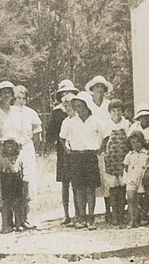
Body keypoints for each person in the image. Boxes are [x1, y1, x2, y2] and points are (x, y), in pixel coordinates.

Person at [60, 91, 108, 229]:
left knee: (90, 189)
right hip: (76, 156)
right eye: (76, 106)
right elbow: (62, 138)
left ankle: (91, 218)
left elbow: (106, 135)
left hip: (90, 156)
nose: (78, 109)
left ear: (87, 106)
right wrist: (67, 149)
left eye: (81, 106)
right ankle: (81, 216)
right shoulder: (71, 122)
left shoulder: (95, 120)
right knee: (79, 188)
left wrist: (101, 149)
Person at [3, 85, 43, 229]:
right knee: (14, 183)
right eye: (18, 98)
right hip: (12, 151)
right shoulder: (8, 112)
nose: (20, 101)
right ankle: (13, 221)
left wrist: (31, 149)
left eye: (23, 98)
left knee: (27, 183)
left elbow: (37, 136)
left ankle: (25, 218)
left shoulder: (31, 113)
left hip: (26, 149)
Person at [47, 79, 79, 225]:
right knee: (65, 183)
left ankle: (79, 213)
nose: (67, 95)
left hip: (77, 149)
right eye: (64, 93)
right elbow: (50, 134)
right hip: (63, 150)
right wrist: (59, 142)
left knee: (77, 182)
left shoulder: (78, 111)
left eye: (70, 92)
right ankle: (67, 214)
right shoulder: (57, 112)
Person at [85, 75, 113, 221]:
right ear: (92, 89)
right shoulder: (88, 104)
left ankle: (109, 210)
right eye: (97, 88)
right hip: (92, 142)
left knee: (107, 177)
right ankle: (91, 213)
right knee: (94, 179)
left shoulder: (108, 104)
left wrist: (105, 143)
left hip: (107, 140)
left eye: (102, 88)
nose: (99, 91)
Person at [102, 99, 131, 226]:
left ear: (123, 112)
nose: (117, 113)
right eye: (114, 111)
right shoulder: (107, 125)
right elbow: (103, 143)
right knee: (113, 188)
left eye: (119, 110)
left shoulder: (127, 124)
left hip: (124, 158)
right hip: (112, 159)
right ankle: (114, 215)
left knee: (123, 186)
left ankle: (122, 214)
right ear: (110, 112)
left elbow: (129, 141)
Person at [0, 137, 28, 233]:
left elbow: (23, 169)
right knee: (6, 204)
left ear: (17, 146)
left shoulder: (20, 157)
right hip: (6, 182)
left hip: (17, 181)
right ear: (4, 146)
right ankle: (5, 225)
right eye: (7, 145)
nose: (10, 148)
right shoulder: (2, 159)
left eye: (12, 145)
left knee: (18, 203)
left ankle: (18, 224)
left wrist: (25, 179)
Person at [122, 128, 149, 228]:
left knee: (139, 201)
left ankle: (138, 219)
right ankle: (131, 220)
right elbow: (126, 167)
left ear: (142, 141)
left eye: (138, 142)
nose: (136, 144)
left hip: (142, 180)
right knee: (130, 199)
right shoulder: (129, 155)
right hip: (131, 179)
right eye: (133, 143)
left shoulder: (147, 153)